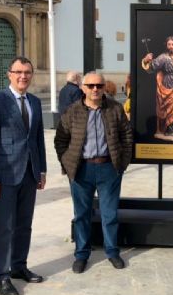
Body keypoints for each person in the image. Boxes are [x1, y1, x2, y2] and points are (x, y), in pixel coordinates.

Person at [54, 72, 133, 273]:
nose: (95, 89)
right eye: (90, 86)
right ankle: (81, 254)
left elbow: (126, 136)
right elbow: (61, 140)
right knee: (81, 214)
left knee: (110, 214)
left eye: (99, 85)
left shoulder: (115, 108)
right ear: (83, 88)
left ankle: (112, 252)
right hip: (82, 170)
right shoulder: (73, 111)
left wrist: (121, 164)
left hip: (109, 169)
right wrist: (68, 163)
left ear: (104, 87)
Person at [0, 56, 47, 295]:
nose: (23, 76)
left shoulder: (35, 102)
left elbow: (37, 138)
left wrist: (41, 170)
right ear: (9, 74)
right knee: (5, 227)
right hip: (5, 175)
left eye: (27, 72)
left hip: (29, 173)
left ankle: (19, 265)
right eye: (18, 72)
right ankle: (2, 275)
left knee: (24, 224)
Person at [141, 36, 173, 141]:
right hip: (168, 83)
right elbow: (152, 68)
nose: (171, 46)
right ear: (166, 46)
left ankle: (170, 130)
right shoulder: (163, 57)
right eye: (169, 44)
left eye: (172, 44)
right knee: (171, 108)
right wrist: (146, 60)